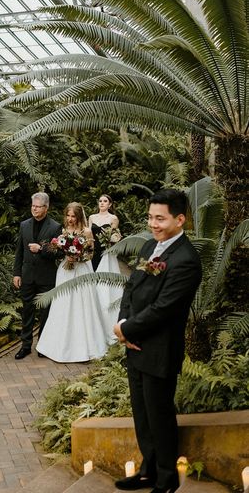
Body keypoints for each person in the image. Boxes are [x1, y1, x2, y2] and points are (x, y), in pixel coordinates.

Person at [113, 189, 202, 493]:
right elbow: (132, 287)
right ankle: (147, 470)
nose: (153, 224)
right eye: (151, 217)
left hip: (159, 350)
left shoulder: (186, 260)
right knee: (142, 415)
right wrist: (124, 323)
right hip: (136, 344)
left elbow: (164, 308)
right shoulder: (150, 247)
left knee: (159, 416)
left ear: (180, 219)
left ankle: (166, 479)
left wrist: (129, 332)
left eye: (160, 218)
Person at [36, 202, 117, 362]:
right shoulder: (64, 231)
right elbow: (58, 249)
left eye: (73, 216)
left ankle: (85, 345)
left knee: (82, 304)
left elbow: (91, 253)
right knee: (62, 304)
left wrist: (78, 257)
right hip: (65, 271)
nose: (70, 219)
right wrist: (63, 253)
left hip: (81, 270)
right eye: (68, 215)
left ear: (79, 216)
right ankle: (57, 344)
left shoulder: (86, 231)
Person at [13, 192, 61, 360]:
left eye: (38, 206)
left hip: (46, 277)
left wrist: (41, 249)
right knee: (27, 312)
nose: (34, 209)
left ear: (46, 208)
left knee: (45, 313)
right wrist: (17, 273)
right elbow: (19, 251)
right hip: (27, 276)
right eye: (33, 206)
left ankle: (43, 345)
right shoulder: (24, 225)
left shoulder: (55, 227)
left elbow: (57, 253)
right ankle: (25, 346)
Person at [89, 193, 121, 272]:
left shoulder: (113, 218)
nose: (102, 203)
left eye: (105, 201)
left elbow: (114, 235)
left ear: (109, 204)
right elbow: (88, 234)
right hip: (93, 250)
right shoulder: (92, 217)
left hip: (105, 251)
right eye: (100, 201)